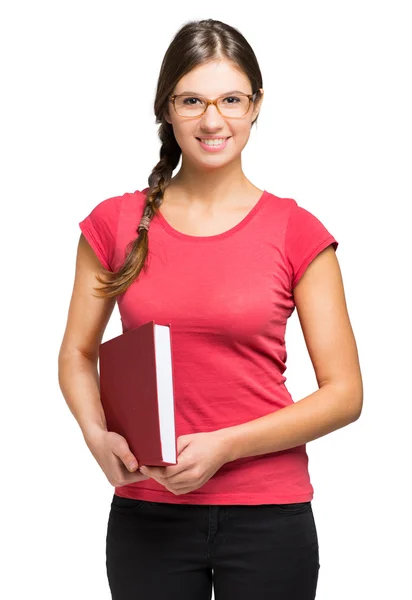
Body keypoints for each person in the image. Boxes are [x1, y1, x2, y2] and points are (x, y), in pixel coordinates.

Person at [58, 18, 363, 600]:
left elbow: (345, 393)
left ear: (256, 106)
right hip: (147, 509)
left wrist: (226, 445)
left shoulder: (297, 232)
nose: (213, 120)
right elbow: (75, 352)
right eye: (192, 100)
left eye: (231, 100)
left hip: (269, 514)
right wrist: (97, 437)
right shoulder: (114, 223)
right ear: (166, 108)